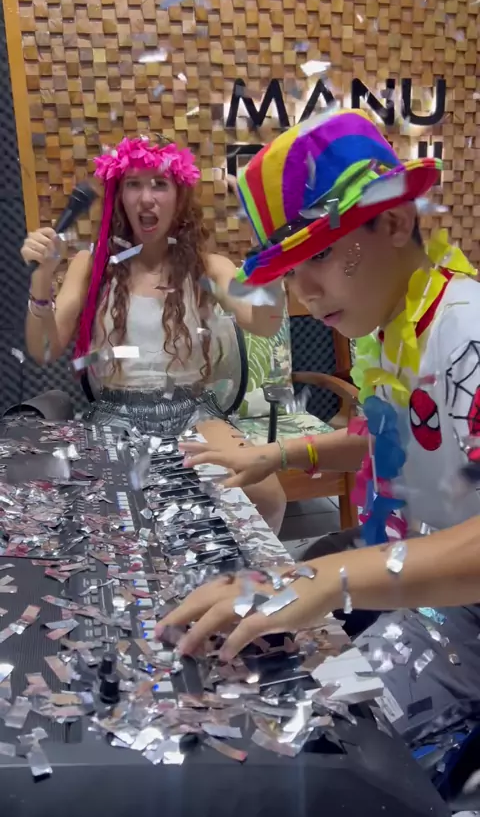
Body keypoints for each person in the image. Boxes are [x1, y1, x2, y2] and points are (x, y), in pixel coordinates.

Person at [156, 108, 480, 746]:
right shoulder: (395, 325)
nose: (302, 290)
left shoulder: (467, 333)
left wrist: (329, 579)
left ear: (394, 222)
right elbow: (401, 441)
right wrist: (276, 457)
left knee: (311, 741)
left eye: (322, 255)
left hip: (460, 625)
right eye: (289, 270)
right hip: (423, 593)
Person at [20, 134, 286, 532]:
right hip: (116, 414)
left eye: (160, 184)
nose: (146, 198)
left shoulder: (209, 267)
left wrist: (270, 257)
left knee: (267, 495)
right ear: (119, 196)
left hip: (194, 410)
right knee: (112, 513)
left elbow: (263, 322)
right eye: (134, 184)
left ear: (179, 198)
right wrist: (42, 277)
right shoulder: (90, 265)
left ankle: (239, 571)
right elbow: (44, 349)